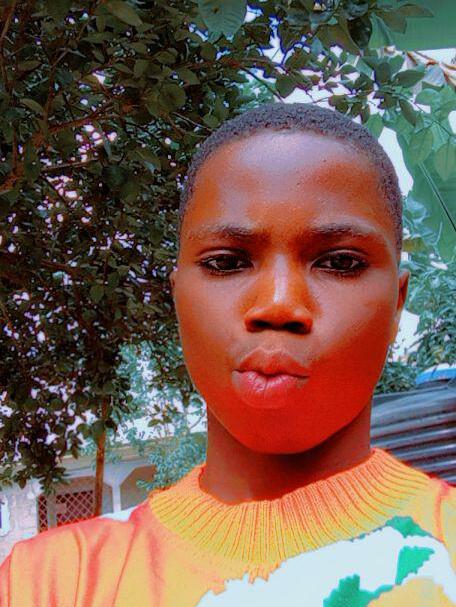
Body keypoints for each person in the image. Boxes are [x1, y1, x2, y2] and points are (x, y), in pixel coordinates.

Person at [0, 103, 454, 606]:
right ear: (178, 299)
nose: (278, 304)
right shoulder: (46, 585)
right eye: (226, 263)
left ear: (396, 304)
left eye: (340, 262)